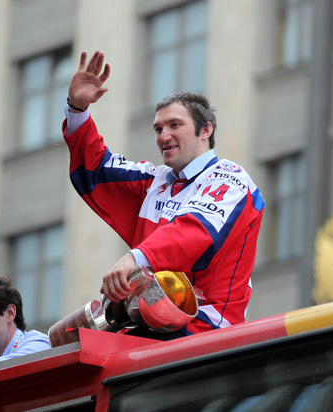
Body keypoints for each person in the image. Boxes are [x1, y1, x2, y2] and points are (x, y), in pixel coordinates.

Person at [63, 51, 264, 338]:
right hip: (150, 322)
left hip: (205, 328)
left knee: (97, 354)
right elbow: (95, 170)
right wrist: (78, 109)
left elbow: (194, 231)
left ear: (205, 130)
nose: (164, 136)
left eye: (174, 125)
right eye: (158, 128)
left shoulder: (231, 178)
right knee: (71, 343)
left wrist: (134, 258)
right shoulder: (153, 180)